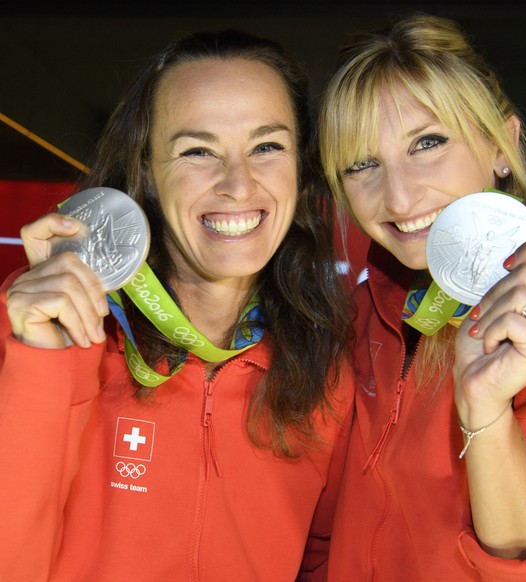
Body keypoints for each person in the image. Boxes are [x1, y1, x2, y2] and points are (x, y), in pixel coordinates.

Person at [0, 30, 355, 581]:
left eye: (267, 146)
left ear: (301, 170)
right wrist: (41, 365)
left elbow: (323, 561)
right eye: (198, 151)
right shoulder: (38, 330)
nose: (238, 185)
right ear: (146, 169)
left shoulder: (327, 367)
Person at [319, 13, 526, 580]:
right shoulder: (370, 309)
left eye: (428, 143)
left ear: (500, 146)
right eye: (363, 164)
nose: (399, 194)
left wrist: (485, 410)